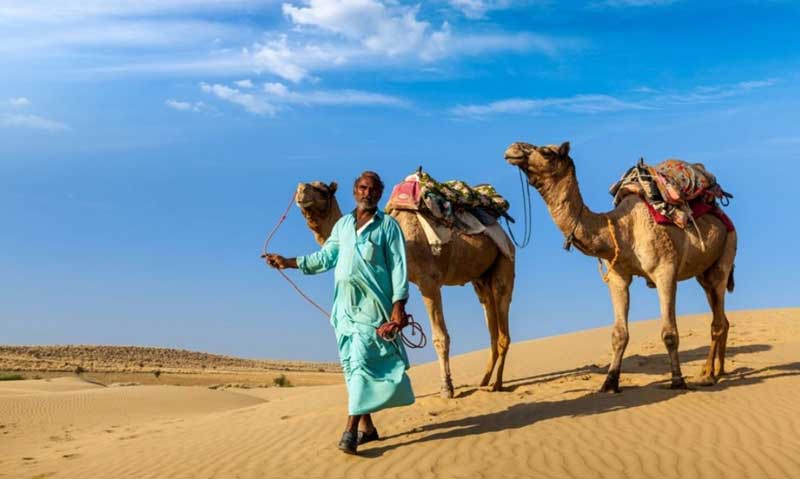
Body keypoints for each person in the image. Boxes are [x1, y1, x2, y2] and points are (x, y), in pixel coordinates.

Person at [263, 171, 415, 455]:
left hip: (373, 308)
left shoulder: (388, 227)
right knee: (351, 367)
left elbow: (399, 267)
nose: (367, 192)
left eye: (372, 189)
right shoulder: (343, 225)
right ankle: (368, 429)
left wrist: (399, 306)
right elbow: (325, 258)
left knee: (360, 362)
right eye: (362, 187)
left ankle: (349, 432)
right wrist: (288, 262)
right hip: (343, 310)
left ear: (380, 194)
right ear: (355, 192)